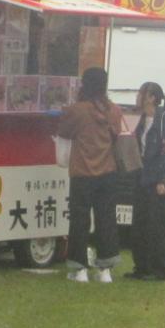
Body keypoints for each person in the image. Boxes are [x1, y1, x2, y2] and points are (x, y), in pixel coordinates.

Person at [56, 66, 127, 284]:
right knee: (106, 219)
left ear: (85, 84)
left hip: (82, 172)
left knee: (79, 220)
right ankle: (105, 270)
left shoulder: (75, 111)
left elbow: (63, 135)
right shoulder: (114, 110)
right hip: (108, 173)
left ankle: (79, 270)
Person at [127, 80, 165, 281]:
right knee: (140, 222)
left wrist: (161, 179)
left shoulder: (164, 119)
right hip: (141, 177)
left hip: (156, 179)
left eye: (141, 93)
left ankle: (158, 269)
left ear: (151, 97)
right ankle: (140, 266)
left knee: (157, 225)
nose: (138, 96)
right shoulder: (143, 120)